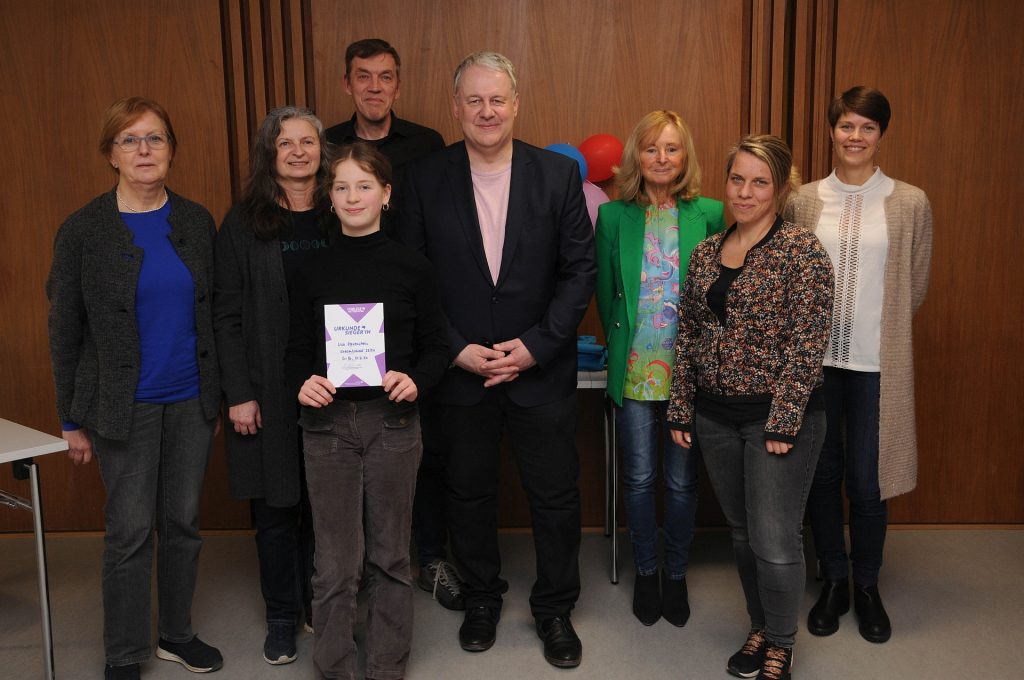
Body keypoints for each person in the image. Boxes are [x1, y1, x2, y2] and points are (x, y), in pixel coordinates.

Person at [395, 51, 596, 669]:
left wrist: (534, 347)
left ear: (516, 105)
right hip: (461, 374)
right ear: (456, 108)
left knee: (555, 496)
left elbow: (578, 272)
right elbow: (412, 277)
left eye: (497, 99)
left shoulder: (557, 176)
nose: (486, 111)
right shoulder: (425, 179)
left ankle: (555, 609)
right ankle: (482, 597)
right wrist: (454, 348)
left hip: (540, 369)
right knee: (468, 494)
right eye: (474, 100)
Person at [46, 97, 222, 680]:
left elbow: (215, 312)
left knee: (182, 523)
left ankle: (176, 634)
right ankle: (124, 653)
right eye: (130, 141)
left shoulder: (196, 221)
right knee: (128, 531)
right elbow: (64, 328)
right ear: (110, 155)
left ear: (171, 149)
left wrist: (217, 394)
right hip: (123, 407)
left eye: (155, 139)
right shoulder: (84, 230)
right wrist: (71, 419)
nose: (144, 151)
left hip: (191, 399)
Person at [667, 135, 833, 680]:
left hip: (776, 419)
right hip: (715, 416)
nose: (744, 191)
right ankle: (760, 625)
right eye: (737, 179)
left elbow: (809, 344)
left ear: (781, 189)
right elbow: (688, 334)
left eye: (759, 182)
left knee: (774, 537)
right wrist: (681, 407)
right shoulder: (705, 251)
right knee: (741, 532)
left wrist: (785, 420)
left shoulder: (802, 252)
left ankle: (782, 644)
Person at [286, 142, 449, 680]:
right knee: (334, 563)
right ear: (328, 199)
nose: (352, 195)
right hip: (326, 426)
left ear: (385, 194)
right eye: (341, 186)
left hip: (394, 423)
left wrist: (416, 379)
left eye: (363, 185)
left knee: (390, 556)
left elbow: (436, 346)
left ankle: (385, 667)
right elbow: (294, 352)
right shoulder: (311, 268)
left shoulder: (413, 267)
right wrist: (301, 383)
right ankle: (335, 668)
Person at [785, 86, 932, 644]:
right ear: (831, 130)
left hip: (877, 366)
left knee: (869, 480)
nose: (855, 137)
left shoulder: (909, 201)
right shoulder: (803, 199)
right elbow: (791, 277)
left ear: (881, 135)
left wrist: (875, 328)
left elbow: (913, 286)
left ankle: (867, 585)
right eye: (846, 125)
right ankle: (835, 580)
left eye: (867, 128)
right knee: (821, 474)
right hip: (816, 362)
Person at [325, 37, 462, 611]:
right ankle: (350, 575)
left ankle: (428, 558)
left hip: (407, 311)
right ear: (348, 84)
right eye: (364, 76)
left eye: (385, 77)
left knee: (418, 445)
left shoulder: (428, 145)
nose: (374, 87)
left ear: (398, 85)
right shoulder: (328, 143)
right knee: (342, 451)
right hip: (340, 318)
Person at [595, 110, 725, 627]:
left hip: (687, 375)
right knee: (641, 478)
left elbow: (720, 293)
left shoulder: (710, 213)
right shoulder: (612, 216)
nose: (661, 159)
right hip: (633, 373)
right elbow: (606, 296)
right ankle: (645, 571)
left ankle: (676, 574)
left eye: (671, 149)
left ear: (685, 156)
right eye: (651, 149)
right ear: (636, 157)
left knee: (679, 483)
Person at [213, 106, 331, 665]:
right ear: (270, 152)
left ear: (322, 150)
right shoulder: (243, 222)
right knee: (277, 511)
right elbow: (226, 315)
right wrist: (238, 393)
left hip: (335, 386)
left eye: (308, 141)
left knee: (326, 503)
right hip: (267, 387)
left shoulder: (342, 209)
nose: (299, 151)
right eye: (287, 143)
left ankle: (319, 603)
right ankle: (282, 616)